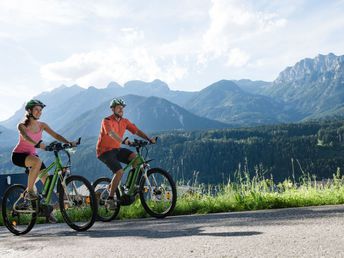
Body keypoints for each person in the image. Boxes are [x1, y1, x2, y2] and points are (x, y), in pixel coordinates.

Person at [11, 99, 76, 222]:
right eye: (36, 109)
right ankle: (30, 192)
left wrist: (68, 142)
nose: (39, 112)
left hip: (32, 156)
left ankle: (44, 208)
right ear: (29, 111)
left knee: (48, 182)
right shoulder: (22, 125)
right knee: (37, 162)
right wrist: (38, 144)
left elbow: (56, 135)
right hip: (19, 156)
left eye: (40, 110)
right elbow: (26, 137)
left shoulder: (42, 125)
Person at [96, 98, 156, 209]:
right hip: (104, 151)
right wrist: (123, 141)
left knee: (137, 159)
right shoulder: (106, 121)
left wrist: (149, 139)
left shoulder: (125, 121)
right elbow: (111, 134)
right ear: (113, 109)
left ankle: (132, 186)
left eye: (122, 108)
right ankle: (109, 200)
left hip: (116, 149)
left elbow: (136, 131)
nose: (121, 109)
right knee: (119, 171)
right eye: (118, 107)